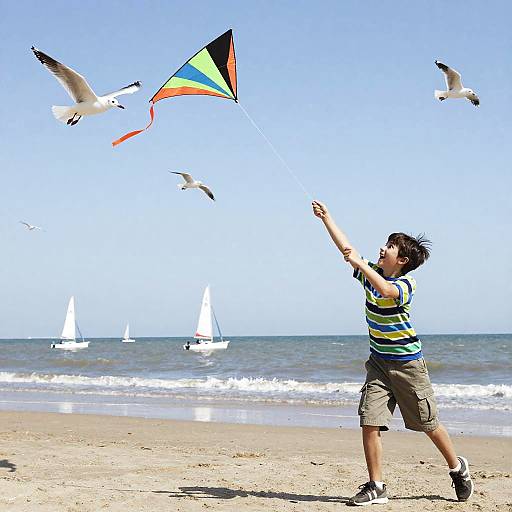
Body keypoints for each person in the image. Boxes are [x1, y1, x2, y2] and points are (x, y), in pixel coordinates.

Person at [312, 200, 473, 506]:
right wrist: (326, 218)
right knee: (369, 420)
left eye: (390, 246)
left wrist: (360, 264)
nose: (383, 248)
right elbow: (347, 249)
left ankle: (457, 467)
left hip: (409, 366)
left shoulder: (406, 283)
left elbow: (386, 291)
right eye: (385, 243)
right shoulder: (369, 274)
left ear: (402, 260)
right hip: (379, 363)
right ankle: (376, 485)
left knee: (428, 424)